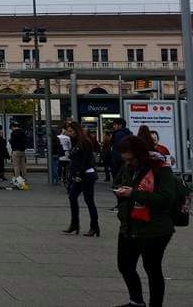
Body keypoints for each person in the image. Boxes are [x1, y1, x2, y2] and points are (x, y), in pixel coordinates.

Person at [113, 135, 176, 307]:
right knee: (125, 265)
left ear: (140, 154)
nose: (128, 162)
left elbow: (166, 198)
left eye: (131, 159)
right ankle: (136, 301)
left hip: (155, 229)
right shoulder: (128, 167)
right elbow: (119, 181)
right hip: (129, 225)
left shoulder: (160, 168)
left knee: (152, 269)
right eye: (125, 159)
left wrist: (133, 193)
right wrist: (119, 190)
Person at [62, 122, 100, 237]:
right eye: (68, 131)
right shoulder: (75, 142)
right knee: (72, 197)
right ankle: (74, 224)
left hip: (86, 175)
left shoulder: (85, 142)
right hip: (79, 174)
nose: (69, 133)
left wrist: (79, 174)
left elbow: (86, 160)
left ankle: (94, 227)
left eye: (71, 131)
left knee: (89, 201)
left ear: (76, 130)